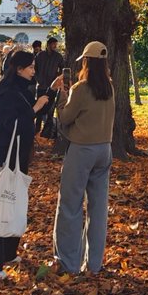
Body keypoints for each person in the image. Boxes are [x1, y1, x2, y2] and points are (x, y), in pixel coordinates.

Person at [0, 51, 49, 279]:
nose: (33, 70)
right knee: (1, 200)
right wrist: (35, 108)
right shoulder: (6, 91)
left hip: (17, 153)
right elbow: (12, 122)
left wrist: (51, 92)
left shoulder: (21, 90)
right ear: (18, 68)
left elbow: (31, 115)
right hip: (5, 153)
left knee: (14, 197)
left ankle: (8, 252)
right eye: (31, 67)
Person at [51, 41, 115, 276]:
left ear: (86, 62)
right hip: (104, 150)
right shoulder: (109, 87)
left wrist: (61, 96)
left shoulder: (81, 88)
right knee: (98, 209)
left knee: (70, 205)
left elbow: (66, 118)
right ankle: (94, 264)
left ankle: (69, 262)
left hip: (82, 150)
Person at [34, 36, 64, 137]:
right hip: (42, 85)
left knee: (50, 109)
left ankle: (47, 130)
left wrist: (57, 79)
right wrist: (39, 79)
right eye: (53, 44)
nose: (55, 46)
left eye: (56, 44)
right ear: (48, 45)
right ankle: (37, 128)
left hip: (52, 86)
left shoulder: (58, 57)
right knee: (39, 107)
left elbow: (62, 69)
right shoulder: (40, 55)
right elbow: (35, 69)